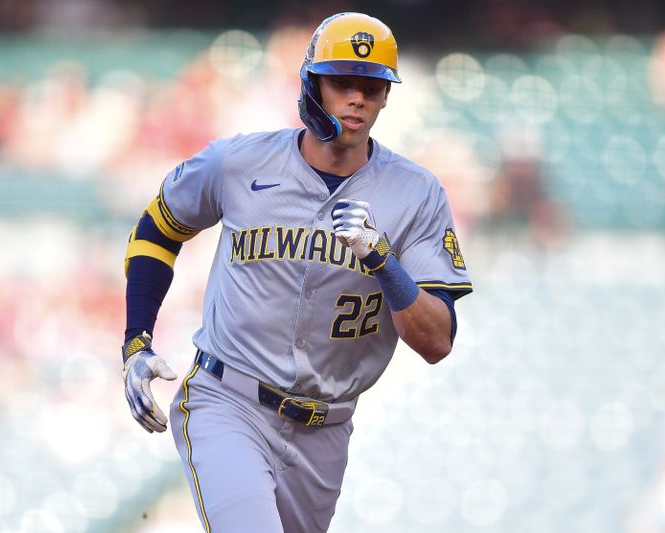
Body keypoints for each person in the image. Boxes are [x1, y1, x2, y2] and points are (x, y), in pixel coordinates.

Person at [121, 12, 473, 532]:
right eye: (342, 83)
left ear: (385, 97)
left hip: (326, 428)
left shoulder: (416, 193)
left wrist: (383, 261)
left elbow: (436, 341)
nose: (357, 98)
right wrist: (136, 340)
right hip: (229, 400)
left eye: (372, 87)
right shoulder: (239, 163)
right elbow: (157, 227)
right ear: (312, 85)